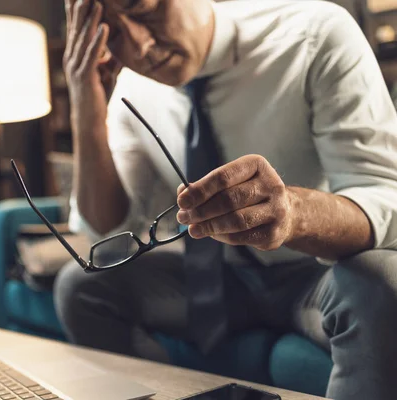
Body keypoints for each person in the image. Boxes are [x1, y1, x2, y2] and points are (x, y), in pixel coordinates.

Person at [53, 0, 397, 399]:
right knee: (81, 286)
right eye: (110, 31)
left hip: (319, 275)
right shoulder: (132, 87)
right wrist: (86, 105)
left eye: (143, 9)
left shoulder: (314, 36)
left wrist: (294, 213)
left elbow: (384, 194)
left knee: (381, 284)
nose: (140, 47)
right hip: (221, 279)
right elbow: (107, 235)